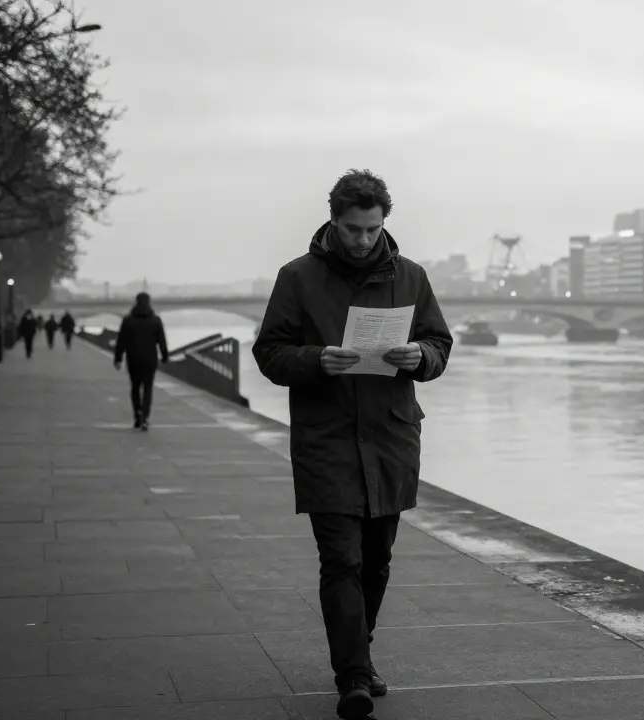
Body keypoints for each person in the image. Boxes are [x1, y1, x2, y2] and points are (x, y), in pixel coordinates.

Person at [251, 169, 452, 720]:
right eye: (352, 229)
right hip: (327, 440)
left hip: (389, 437)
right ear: (333, 221)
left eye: (371, 229)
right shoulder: (297, 277)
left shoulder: (411, 276)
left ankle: (359, 655)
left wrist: (421, 357)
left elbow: (439, 342)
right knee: (340, 560)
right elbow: (269, 353)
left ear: (384, 222)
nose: (362, 240)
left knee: (376, 561)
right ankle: (354, 677)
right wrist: (316, 359)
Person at [112, 292, 169, 431]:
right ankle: (145, 416)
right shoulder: (156, 320)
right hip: (150, 359)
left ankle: (137, 413)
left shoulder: (128, 320)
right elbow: (161, 341)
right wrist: (165, 356)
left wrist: (118, 359)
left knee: (135, 387)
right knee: (148, 388)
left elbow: (121, 342)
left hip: (133, 358)